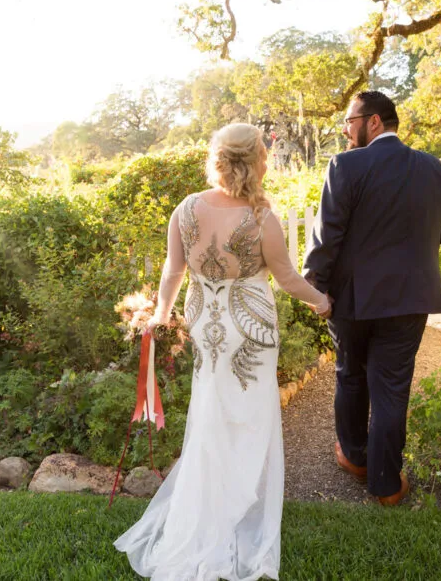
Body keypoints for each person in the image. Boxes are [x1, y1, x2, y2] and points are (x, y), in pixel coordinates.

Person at [114, 123, 331, 581]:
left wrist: (161, 315)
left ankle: (211, 506)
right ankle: (239, 511)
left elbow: (173, 272)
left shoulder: (186, 209)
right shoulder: (261, 219)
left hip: (207, 327)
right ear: (256, 161)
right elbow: (288, 280)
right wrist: (322, 301)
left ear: (217, 159)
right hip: (250, 329)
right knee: (251, 418)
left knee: (211, 414)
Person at [303, 90, 441, 506]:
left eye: (350, 121)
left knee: (351, 374)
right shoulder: (433, 167)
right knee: (391, 386)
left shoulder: (345, 165)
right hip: (410, 299)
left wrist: (314, 285)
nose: (347, 130)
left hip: (352, 299)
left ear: (373, 121)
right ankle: (386, 484)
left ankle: (354, 458)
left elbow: (326, 236)